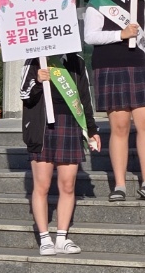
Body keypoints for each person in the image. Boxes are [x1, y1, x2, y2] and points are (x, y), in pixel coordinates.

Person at [85, 0, 145, 202]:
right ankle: (119, 185)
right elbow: (90, 36)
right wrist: (120, 34)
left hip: (138, 64)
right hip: (109, 66)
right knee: (119, 126)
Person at [21, 54, 101, 256]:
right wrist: (38, 80)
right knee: (42, 185)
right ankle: (44, 238)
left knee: (68, 185)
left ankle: (62, 238)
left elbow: (85, 98)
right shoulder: (34, 59)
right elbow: (24, 94)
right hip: (42, 126)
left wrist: (92, 129)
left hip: (70, 125)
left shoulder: (76, 61)